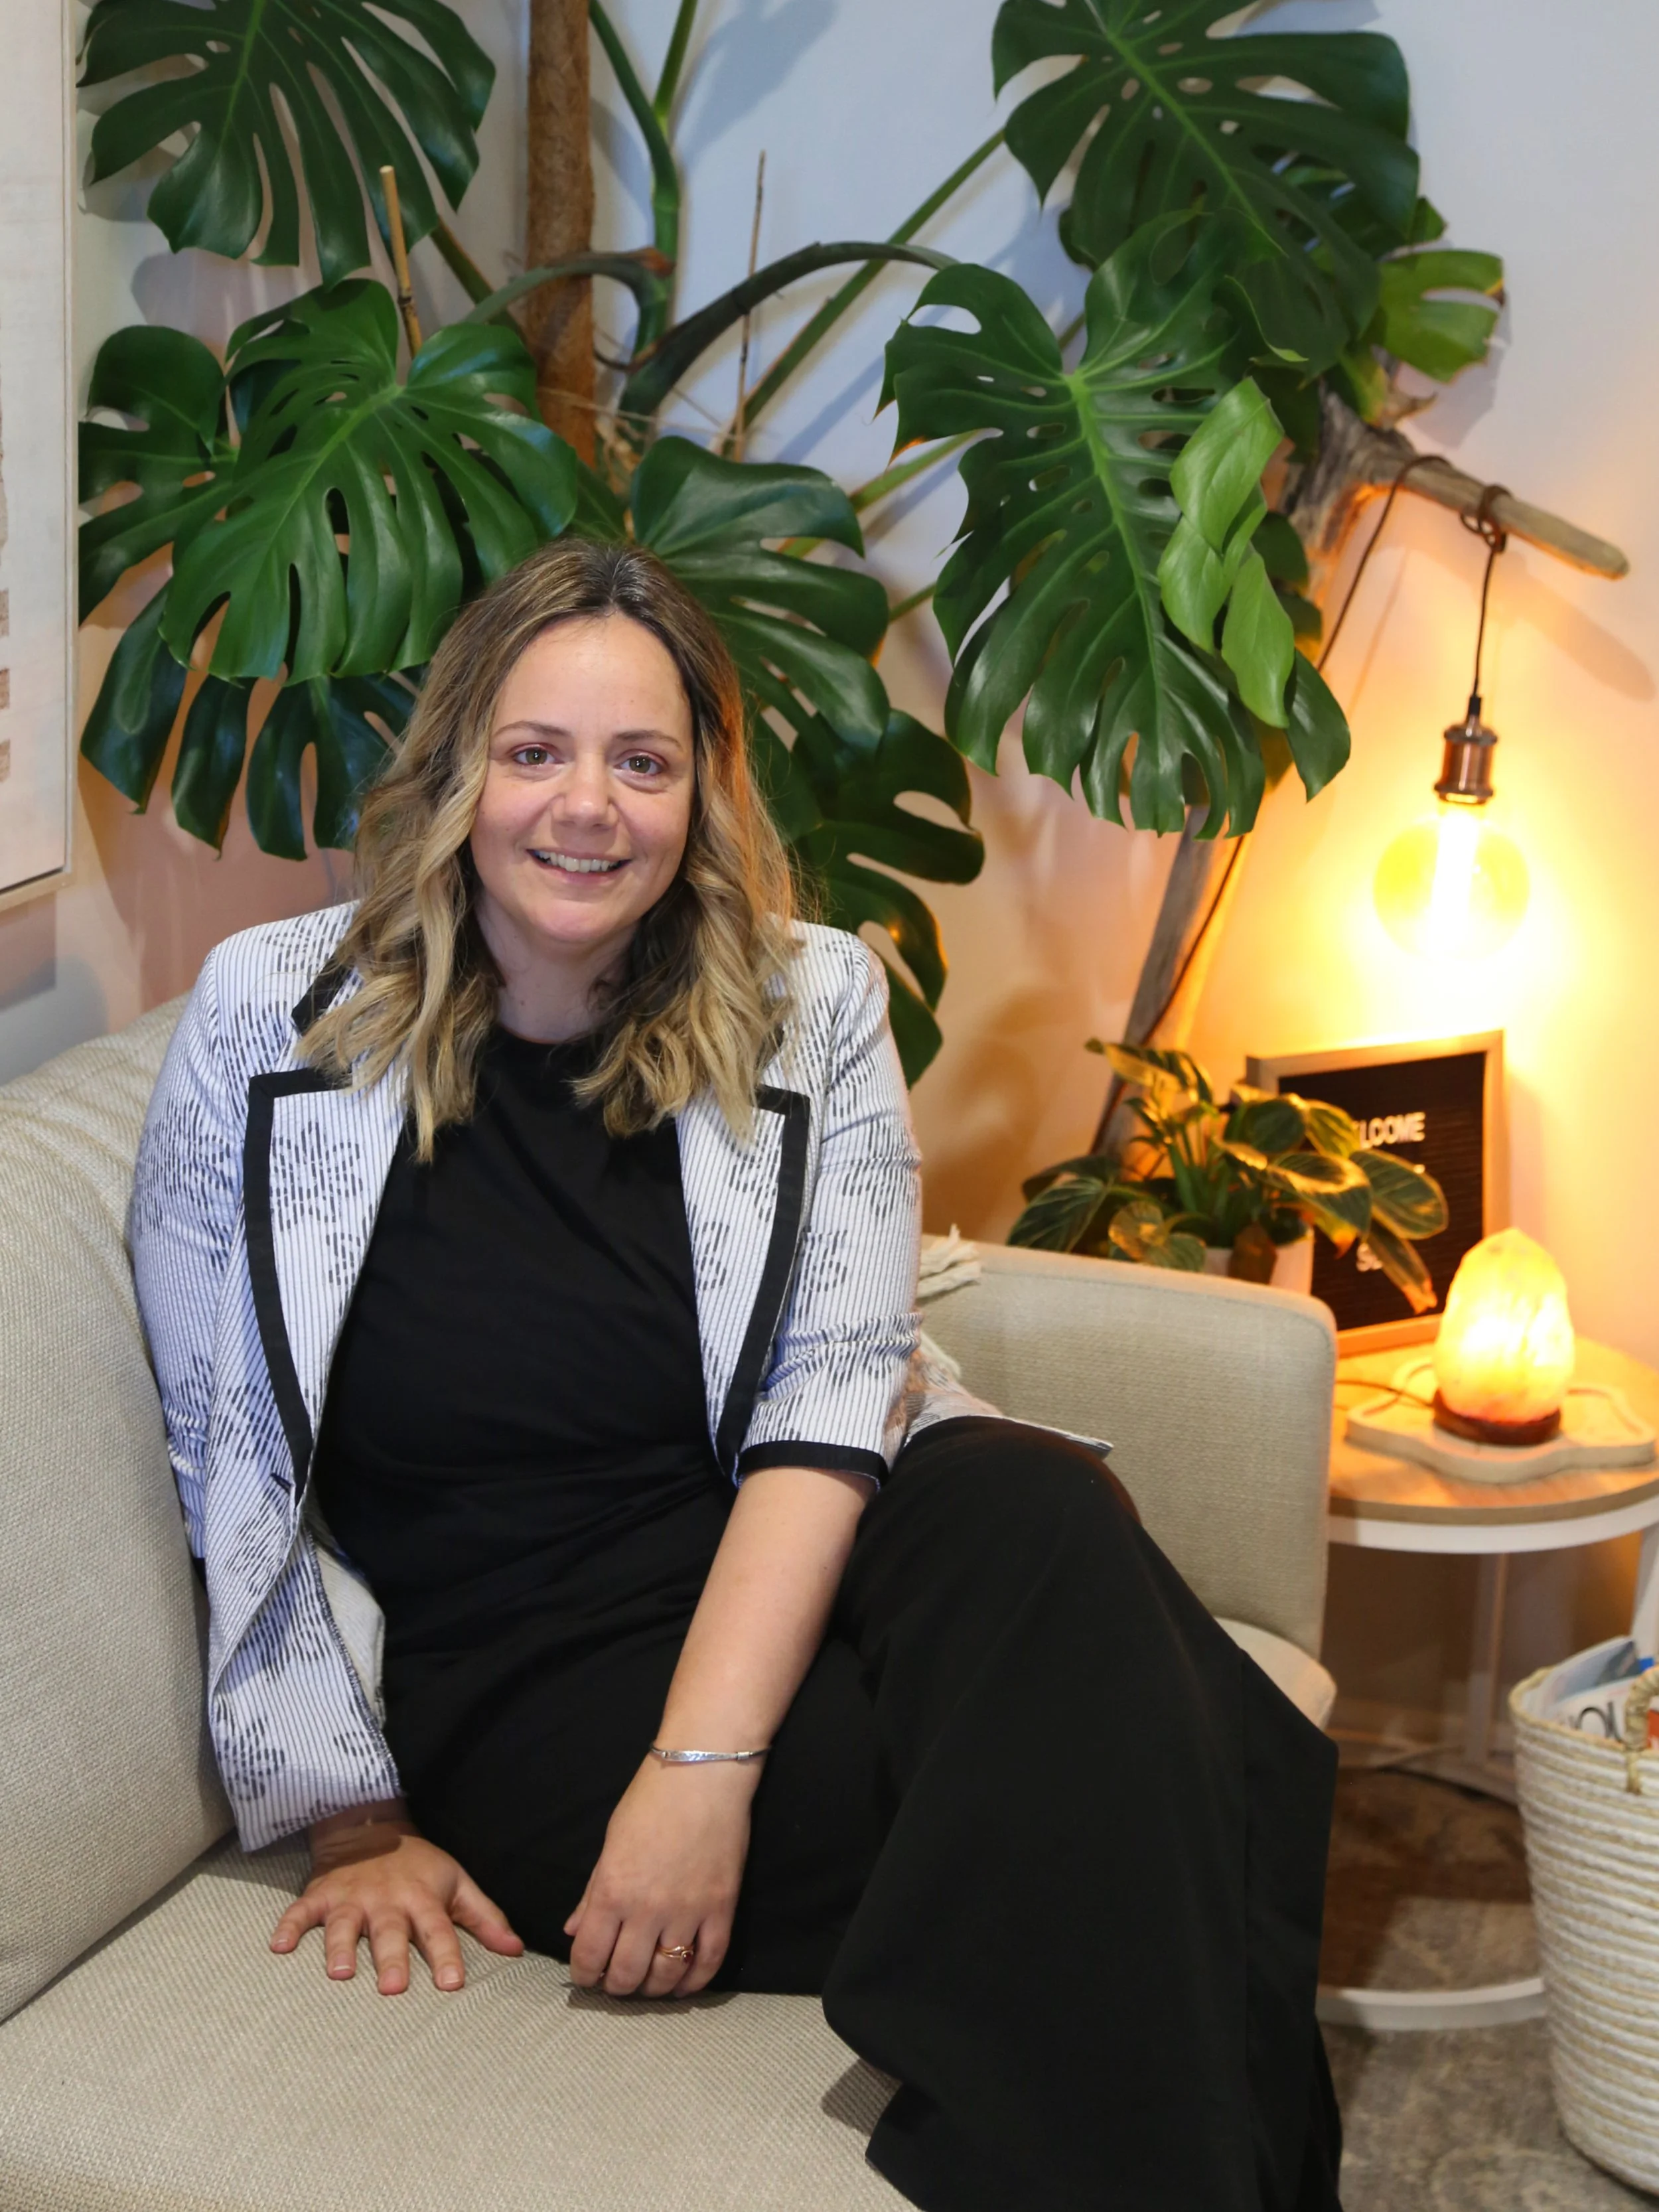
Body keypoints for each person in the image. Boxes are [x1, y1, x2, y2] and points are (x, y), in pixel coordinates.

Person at [131, 538, 1342, 2211]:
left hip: (785, 1578)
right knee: (1174, 1766)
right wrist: (353, 1817)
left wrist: (703, 1773)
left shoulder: (805, 999)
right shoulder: (271, 1020)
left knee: (1033, 1512)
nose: (588, 807)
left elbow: (827, 1406)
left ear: (702, 793)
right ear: (458, 765)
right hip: (527, 1679)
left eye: (643, 761)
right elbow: (230, 1451)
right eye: (536, 751)